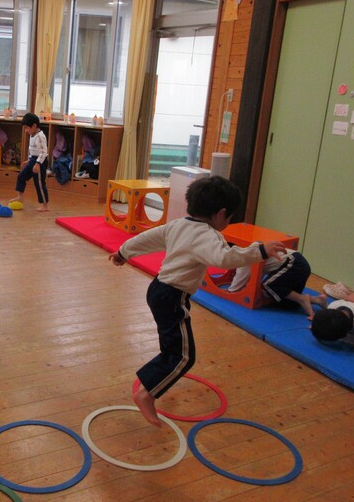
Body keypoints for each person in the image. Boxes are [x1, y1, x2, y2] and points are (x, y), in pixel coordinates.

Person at [108, 176, 286, 427]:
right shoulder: (207, 235)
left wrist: (123, 252)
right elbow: (224, 259)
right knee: (182, 356)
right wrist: (261, 251)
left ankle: (153, 382)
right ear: (221, 214)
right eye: (230, 217)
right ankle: (146, 393)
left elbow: (146, 239)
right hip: (172, 296)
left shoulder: (178, 225)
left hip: (158, 289)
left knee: (174, 348)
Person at [227, 248, 327, 318]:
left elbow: (234, 288)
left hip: (294, 264)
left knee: (268, 286)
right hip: (301, 265)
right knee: (286, 302)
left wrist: (231, 290)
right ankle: (317, 300)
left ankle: (302, 299)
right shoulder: (251, 252)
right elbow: (257, 277)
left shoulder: (245, 260)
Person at [10, 112, 49, 212]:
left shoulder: (40, 137)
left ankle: (44, 205)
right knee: (21, 176)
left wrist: (37, 164)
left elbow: (43, 152)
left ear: (34, 126)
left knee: (39, 183)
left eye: (27, 128)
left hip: (40, 162)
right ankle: (20, 197)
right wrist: (29, 160)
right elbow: (34, 150)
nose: (26, 130)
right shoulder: (33, 135)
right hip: (33, 160)